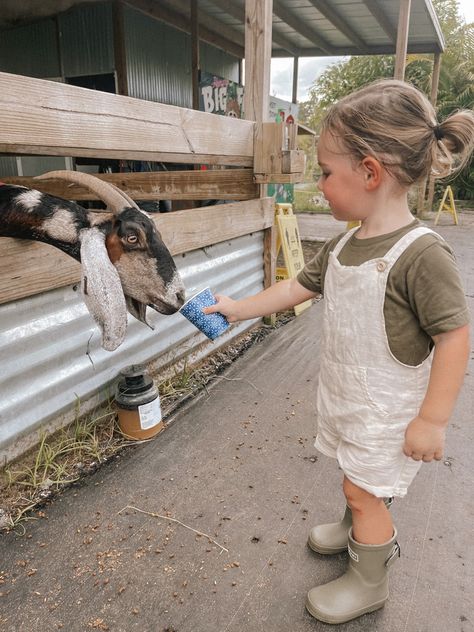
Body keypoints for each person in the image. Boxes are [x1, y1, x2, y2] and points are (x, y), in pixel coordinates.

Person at [203, 79, 474, 624]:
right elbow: (295, 288)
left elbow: (455, 336)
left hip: (391, 412)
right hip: (353, 398)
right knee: (357, 477)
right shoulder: (344, 244)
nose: (319, 184)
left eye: (326, 172)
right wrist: (238, 308)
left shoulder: (421, 255)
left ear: (370, 172)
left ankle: (368, 577)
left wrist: (432, 419)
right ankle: (358, 522)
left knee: (362, 487)